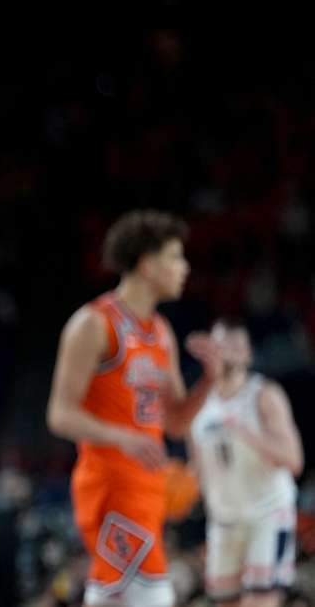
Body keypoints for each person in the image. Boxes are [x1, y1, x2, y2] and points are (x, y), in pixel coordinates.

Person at [47, 210, 219, 606]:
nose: (185, 267)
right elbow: (60, 414)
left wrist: (208, 381)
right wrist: (121, 436)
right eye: (175, 257)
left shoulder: (160, 332)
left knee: (116, 596)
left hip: (146, 486)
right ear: (146, 263)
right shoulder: (93, 324)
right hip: (108, 482)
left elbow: (175, 422)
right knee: (151, 596)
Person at [190, 319, 303, 606]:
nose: (227, 351)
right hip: (224, 521)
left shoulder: (264, 395)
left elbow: (293, 460)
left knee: (260, 601)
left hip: (266, 514)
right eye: (220, 344)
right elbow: (197, 472)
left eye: (234, 345)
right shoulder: (199, 404)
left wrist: (246, 435)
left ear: (248, 354)